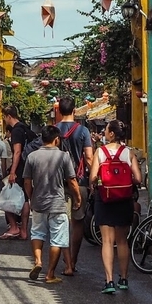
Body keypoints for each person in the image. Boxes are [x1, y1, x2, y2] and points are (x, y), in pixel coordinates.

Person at [88, 120, 143, 293]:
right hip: (124, 199)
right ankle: (124, 279)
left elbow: (92, 178)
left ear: (111, 134)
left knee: (107, 241)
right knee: (122, 241)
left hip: (105, 199)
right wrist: (125, 181)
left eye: (105, 130)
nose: (104, 133)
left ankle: (109, 281)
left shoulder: (100, 152)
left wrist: (98, 183)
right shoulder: (129, 153)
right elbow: (139, 179)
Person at [23, 125, 81, 284]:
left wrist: (31, 196)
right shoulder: (63, 156)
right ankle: (50, 274)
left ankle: (38, 262)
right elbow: (72, 181)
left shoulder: (32, 157)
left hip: (38, 203)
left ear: (42, 139)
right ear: (57, 139)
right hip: (57, 204)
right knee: (57, 239)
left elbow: (27, 181)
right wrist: (77, 198)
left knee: (37, 233)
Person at [55, 97, 93, 276]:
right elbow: (89, 157)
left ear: (59, 111)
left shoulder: (53, 131)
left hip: (57, 183)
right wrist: (94, 178)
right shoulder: (83, 131)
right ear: (74, 110)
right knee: (77, 224)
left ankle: (67, 262)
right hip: (80, 181)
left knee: (60, 223)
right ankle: (74, 260)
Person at [2, 104, 31, 239]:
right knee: (24, 198)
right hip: (28, 167)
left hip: (20, 167)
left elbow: (17, 151)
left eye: (4, 117)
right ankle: (24, 230)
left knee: (6, 196)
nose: (4, 120)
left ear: (9, 116)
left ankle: (14, 227)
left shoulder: (16, 131)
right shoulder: (25, 128)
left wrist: (12, 171)